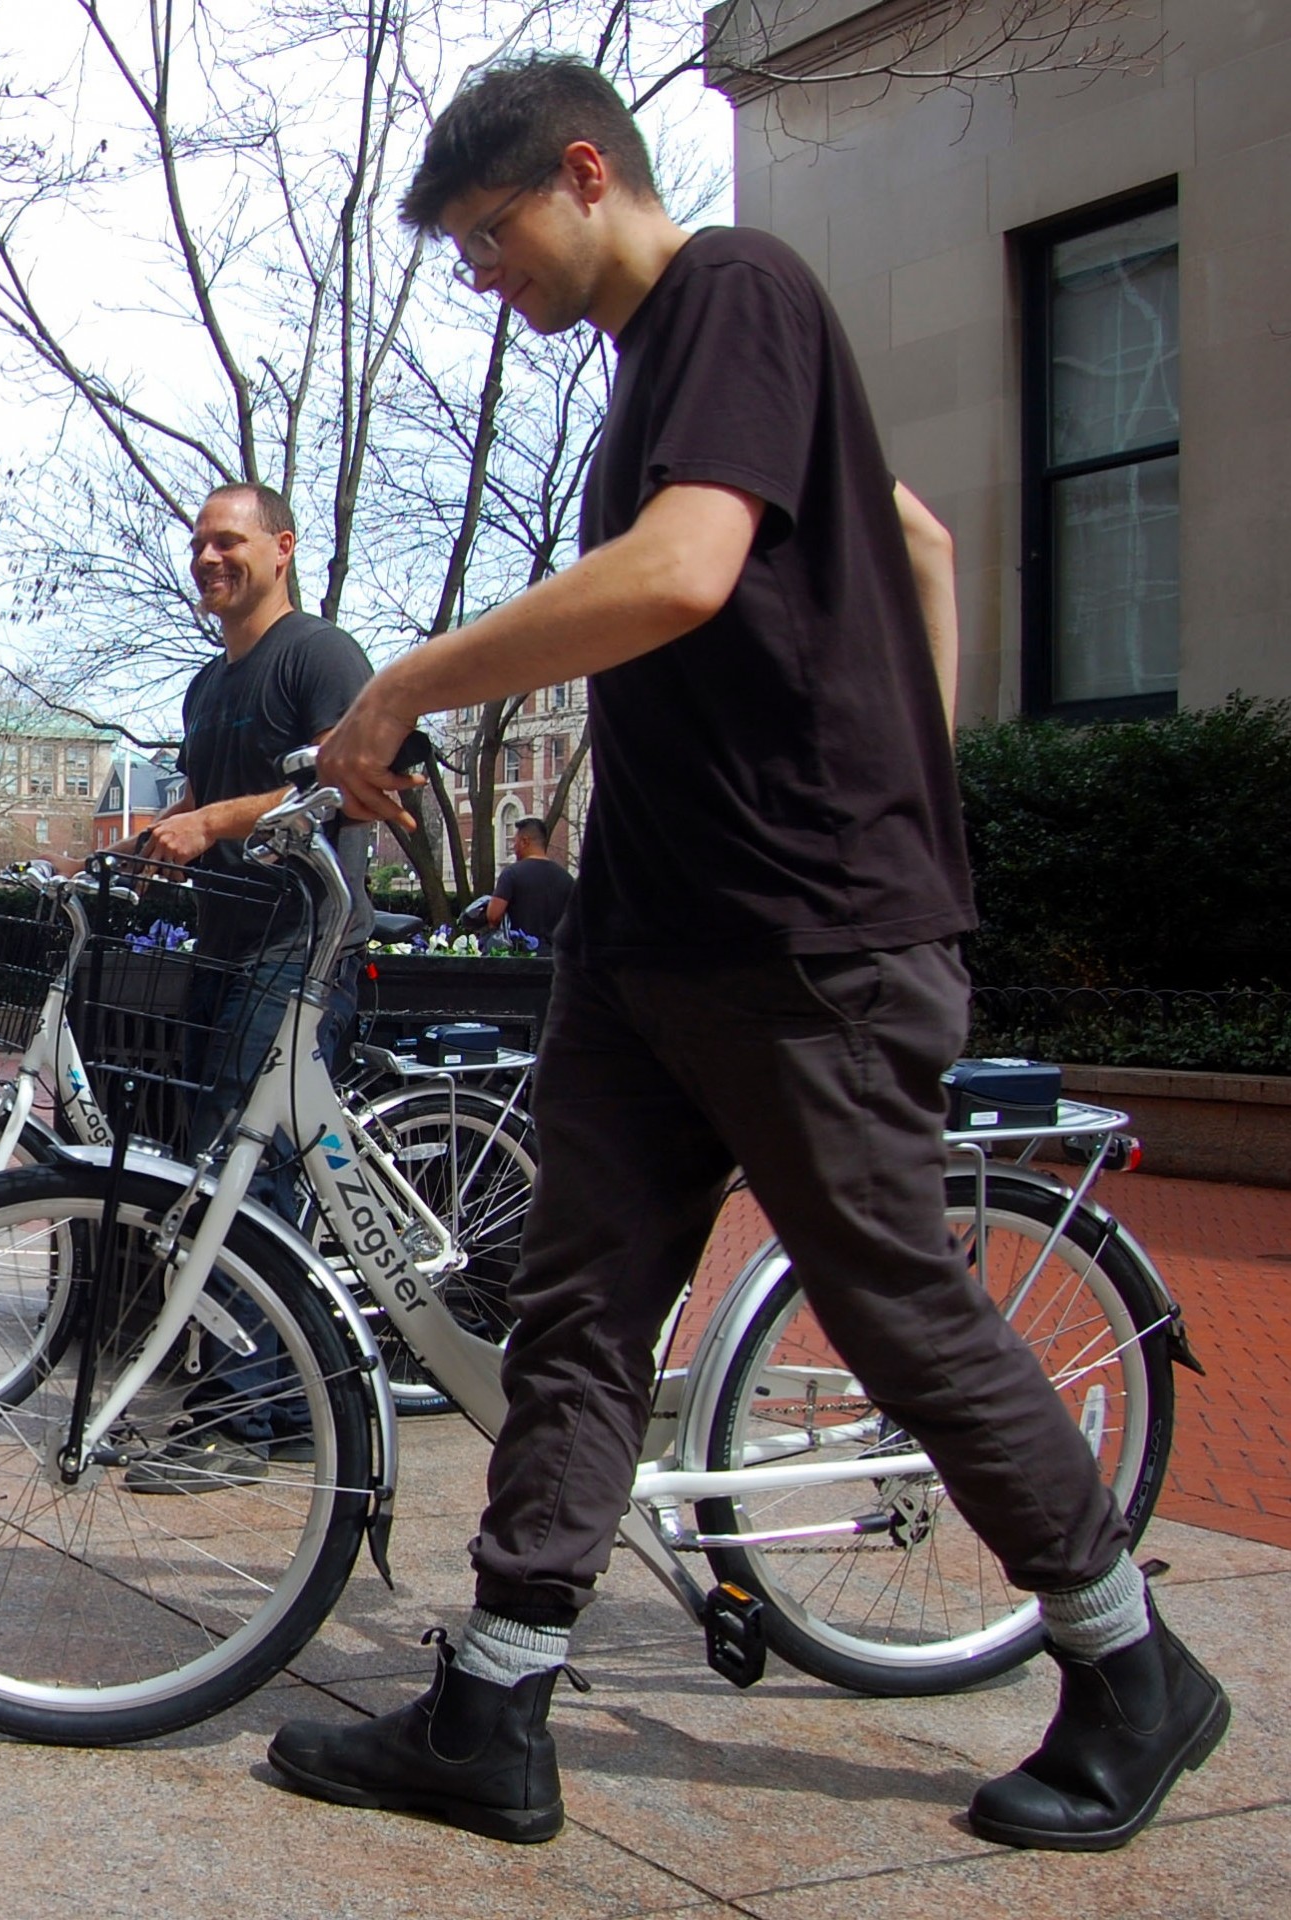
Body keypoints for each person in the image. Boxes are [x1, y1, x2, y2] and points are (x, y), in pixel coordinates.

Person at [268, 56, 1226, 1852]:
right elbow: (917, 538)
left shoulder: (734, 290)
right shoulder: (664, 368)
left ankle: (1129, 1668)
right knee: (576, 1310)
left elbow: (686, 570)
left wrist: (402, 682)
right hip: (657, 935)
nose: (488, 280)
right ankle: (495, 1698)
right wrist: (911, 768)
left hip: (800, 934)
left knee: (892, 1303)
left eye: (491, 238)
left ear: (582, 172)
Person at [116, 480, 374, 1493]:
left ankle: (236, 1422)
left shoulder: (319, 655)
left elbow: (348, 777)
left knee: (245, 1175)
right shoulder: (207, 685)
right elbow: (201, 791)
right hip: (222, 951)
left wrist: (215, 822)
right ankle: (291, 1409)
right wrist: (166, 833)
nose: (209, 558)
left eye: (229, 541)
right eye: (199, 544)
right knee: (224, 1170)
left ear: (282, 547)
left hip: (303, 948)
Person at [486, 817, 575, 948]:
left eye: (515, 842)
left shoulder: (511, 874)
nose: (514, 847)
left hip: (521, 956)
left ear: (525, 841)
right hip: (555, 958)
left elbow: (493, 916)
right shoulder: (566, 878)